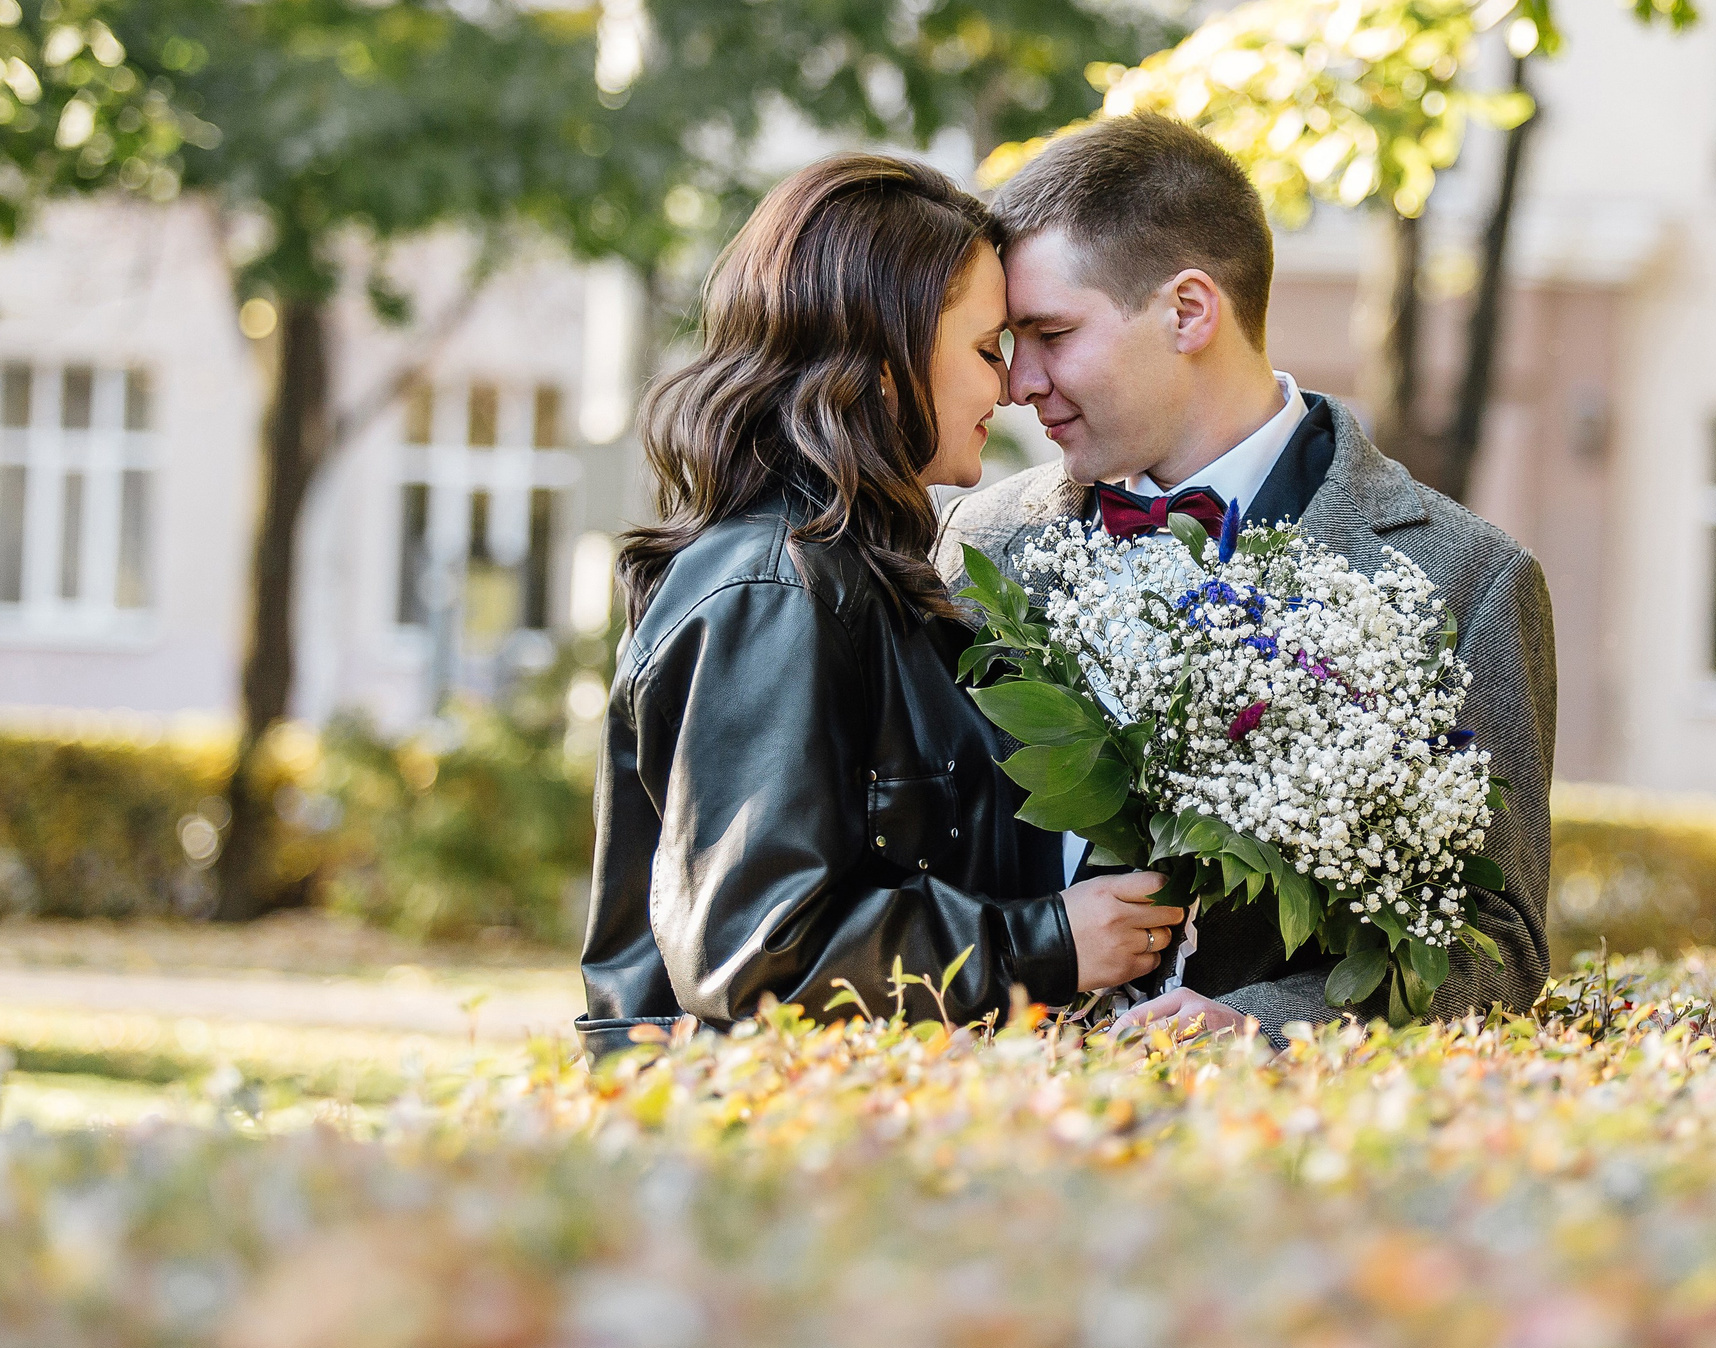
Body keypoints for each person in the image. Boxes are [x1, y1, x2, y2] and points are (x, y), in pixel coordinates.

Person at [934, 114, 1556, 1040]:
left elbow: (1496, 944)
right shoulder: (977, 541)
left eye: (1051, 332)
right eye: (1007, 342)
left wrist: (1264, 1027)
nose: (1019, 381)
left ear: (1189, 310)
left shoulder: (1466, 577)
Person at [576, 154, 1186, 1061]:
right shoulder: (774, 590)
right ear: (884, 357)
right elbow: (757, 952)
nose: (1011, 385)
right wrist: (1049, 942)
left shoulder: (859, 575)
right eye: (986, 349)